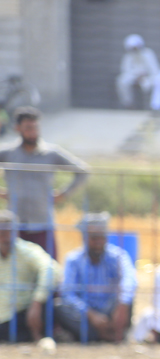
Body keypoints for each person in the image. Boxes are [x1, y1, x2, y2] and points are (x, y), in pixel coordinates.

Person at [0, 106, 90, 259]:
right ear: (18, 129)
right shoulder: (8, 153)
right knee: (15, 267)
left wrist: (63, 194)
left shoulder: (51, 153)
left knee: (48, 266)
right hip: (15, 225)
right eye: (28, 128)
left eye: (35, 128)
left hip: (42, 223)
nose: (32, 132)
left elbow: (83, 171)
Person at [55, 212, 136, 343]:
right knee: (59, 306)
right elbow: (67, 293)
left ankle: (107, 333)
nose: (99, 243)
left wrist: (122, 305)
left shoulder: (118, 256)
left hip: (112, 311)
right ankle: (104, 335)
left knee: (127, 297)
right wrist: (90, 314)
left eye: (102, 238)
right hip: (85, 314)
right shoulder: (73, 260)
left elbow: (129, 280)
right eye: (94, 238)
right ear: (84, 238)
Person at [0, 209, 56, 343]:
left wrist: (37, 301)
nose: (6, 237)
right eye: (2, 233)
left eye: (10, 232)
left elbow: (51, 269)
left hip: (23, 314)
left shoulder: (28, 251)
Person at [116, 34, 159, 109]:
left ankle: (153, 106)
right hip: (134, 77)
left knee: (156, 82)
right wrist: (136, 76)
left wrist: (144, 75)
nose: (135, 50)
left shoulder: (148, 54)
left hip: (148, 77)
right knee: (121, 81)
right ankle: (128, 104)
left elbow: (154, 70)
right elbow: (125, 70)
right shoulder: (128, 56)